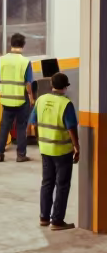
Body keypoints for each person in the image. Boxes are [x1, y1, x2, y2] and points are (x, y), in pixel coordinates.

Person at [31, 72, 80, 230]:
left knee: (47, 183)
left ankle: (44, 218)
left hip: (45, 149)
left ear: (52, 85)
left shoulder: (41, 100)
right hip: (62, 151)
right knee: (62, 185)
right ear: (65, 87)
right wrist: (77, 146)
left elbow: (33, 123)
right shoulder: (66, 104)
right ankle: (57, 221)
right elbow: (71, 127)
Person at [0, 33, 34, 162]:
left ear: (11, 44)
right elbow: (28, 83)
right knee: (21, 126)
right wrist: (31, 97)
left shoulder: (2, 59)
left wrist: (4, 86)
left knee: (4, 127)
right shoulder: (25, 62)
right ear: (23, 45)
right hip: (21, 99)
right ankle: (21, 155)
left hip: (6, 99)